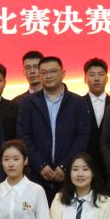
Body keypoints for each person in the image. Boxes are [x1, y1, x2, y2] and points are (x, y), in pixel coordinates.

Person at [16, 56, 92, 198]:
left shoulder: (78, 102)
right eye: (44, 72)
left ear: (63, 74)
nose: (48, 76)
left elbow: (82, 137)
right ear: (39, 76)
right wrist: (40, 165)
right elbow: (23, 135)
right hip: (36, 175)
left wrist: (64, 166)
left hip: (69, 175)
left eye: (53, 71)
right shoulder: (28, 103)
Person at [84, 58, 110, 170]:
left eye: (101, 74)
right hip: (85, 163)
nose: (97, 79)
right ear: (85, 79)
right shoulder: (78, 104)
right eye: (92, 75)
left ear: (107, 78)